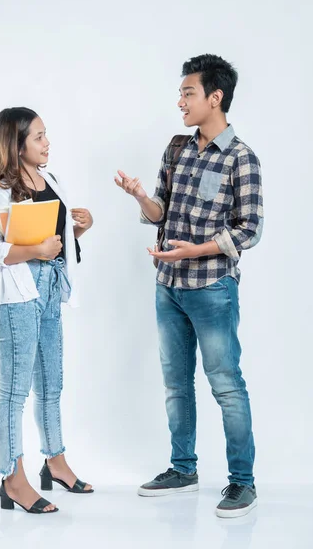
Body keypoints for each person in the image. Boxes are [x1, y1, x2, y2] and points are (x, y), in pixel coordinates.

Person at [115, 54, 263, 518]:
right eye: (180, 93)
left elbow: (250, 229)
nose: (179, 101)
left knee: (225, 385)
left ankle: (242, 482)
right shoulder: (177, 148)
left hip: (212, 288)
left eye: (188, 93)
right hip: (168, 285)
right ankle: (183, 469)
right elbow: (160, 211)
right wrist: (143, 198)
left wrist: (196, 251)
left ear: (214, 98)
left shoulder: (242, 158)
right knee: (176, 384)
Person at [0, 107, 94, 514]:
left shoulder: (52, 181)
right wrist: (35, 251)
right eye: (40, 137)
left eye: (46, 136)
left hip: (49, 289)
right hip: (17, 297)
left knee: (51, 383)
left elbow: (57, 240)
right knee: (13, 392)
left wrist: (78, 229)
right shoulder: (2, 191)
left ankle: (55, 462)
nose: (48, 143)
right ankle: (12, 479)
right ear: (17, 144)